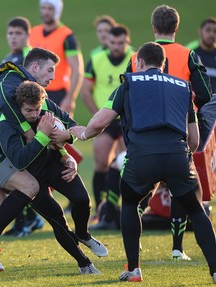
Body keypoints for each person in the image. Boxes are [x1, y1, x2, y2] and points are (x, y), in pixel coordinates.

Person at [71, 41, 216, 284]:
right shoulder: (183, 86)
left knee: (129, 205)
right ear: (164, 64)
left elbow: (99, 122)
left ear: (139, 63)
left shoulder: (128, 84)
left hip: (141, 157)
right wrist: (181, 159)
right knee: (197, 211)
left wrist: (81, 133)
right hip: (177, 156)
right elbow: (195, 139)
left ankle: (134, 270)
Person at [0, 80, 105, 274]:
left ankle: (83, 234)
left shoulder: (46, 109)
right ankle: (85, 264)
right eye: (29, 111)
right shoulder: (6, 124)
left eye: (37, 109)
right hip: (31, 176)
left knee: (82, 199)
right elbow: (20, 162)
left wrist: (67, 149)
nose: (35, 114)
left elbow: (71, 128)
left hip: (53, 165)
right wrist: (42, 135)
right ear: (18, 106)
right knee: (58, 219)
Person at [127, 4, 212, 261]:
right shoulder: (188, 54)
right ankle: (177, 248)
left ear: (154, 28)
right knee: (179, 185)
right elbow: (206, 94)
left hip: (143, 130)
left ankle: (135, 238)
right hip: (179, 129)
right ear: (177, 27)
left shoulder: (136, 57)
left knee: (142, 186)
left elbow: (128, 94)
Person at [81, 25, 133, 224]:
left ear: (127, 41)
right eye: (113, 43)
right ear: (107, 42)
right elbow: (86, 90)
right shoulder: (96, 60)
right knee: (101, 161)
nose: (117, 47)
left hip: (127, 120)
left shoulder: (135, 58)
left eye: (121, 43)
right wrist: (98, 115)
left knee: (125, 163)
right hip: (107, 120)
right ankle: (101, 207)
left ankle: (122, 207)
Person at [1, 16, 45, 237]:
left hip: (32, 121)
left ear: (27, 35)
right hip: (15, 125)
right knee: (19, 171)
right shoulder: (8, 59)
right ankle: (30, 219)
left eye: (18, 33)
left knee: (25, 170)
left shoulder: (31, 60)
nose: (13, 37)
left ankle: (27, 221)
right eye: (10, 33)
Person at [30, 0, 83, 117]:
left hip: (58, 93)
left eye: (50, 9)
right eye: (44, 8)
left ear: (57, 11)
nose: (46, 12)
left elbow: (77, 69)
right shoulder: (33, 32)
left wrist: (70, 98)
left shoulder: (67, 36)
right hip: (35, 90)